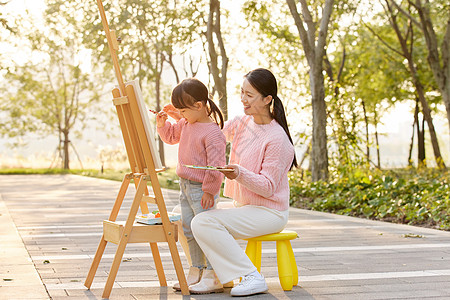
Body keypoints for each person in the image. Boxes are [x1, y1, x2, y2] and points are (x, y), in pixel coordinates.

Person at [189, 68, 297, 296]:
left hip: (269, 213)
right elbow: (212, 136)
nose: (243, 99)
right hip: (245, 207)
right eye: (242, 92)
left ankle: (252, 276)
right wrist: (184, 116)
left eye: (250, 95)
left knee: (203, 222)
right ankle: (215, 275)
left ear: (267, 99)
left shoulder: (277, 139)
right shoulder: (241, 123)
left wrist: (238, 173)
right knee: (185, 216)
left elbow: (268, 187)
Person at [156, 78, 226, 294]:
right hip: (184, 186)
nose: (181, 115)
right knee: (188, 228)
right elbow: (170, 136)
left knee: (205, 230)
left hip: (200, 189)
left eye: (183, 110)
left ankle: (214, 273)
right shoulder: (186, 123)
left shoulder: (212, 132)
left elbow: (216, 166)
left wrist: (209, 190)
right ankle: (196, 267)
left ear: (199, 106)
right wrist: (162, 124)